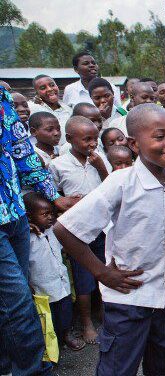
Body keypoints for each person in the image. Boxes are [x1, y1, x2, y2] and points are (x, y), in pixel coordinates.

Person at [53, 103, 165, 376]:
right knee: (118, 368)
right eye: (159, 136)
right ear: (134, 144)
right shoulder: (121, 182)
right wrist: (102, 273)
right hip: (130, 298)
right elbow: (65, 229)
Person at [0, 85, 77, 375]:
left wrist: (52, 196)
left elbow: (20, 150)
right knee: (17, 302)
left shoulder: (1, 96)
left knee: (11, 302)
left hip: (14, 212)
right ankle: (30, 369)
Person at [49, 116, 108, 344]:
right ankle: (86, 322)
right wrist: (63, 201)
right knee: (84, 278)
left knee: (104, 270)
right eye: (86, 139)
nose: (92, 144)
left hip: (101, 227)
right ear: (70, 139)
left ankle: (105, 313)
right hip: (76, 231)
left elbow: (111, 184)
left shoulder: (98, 160)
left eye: (94, 138)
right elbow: (51, 196)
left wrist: (101, 166)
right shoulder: (58, 164)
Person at [25, 192, 86, 353]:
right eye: (45, 214)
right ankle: (50, 346)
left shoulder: (54, 230)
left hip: (61, 283)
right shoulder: (26, 239)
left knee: (65, 313)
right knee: (47, 319)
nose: (50, 217)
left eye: (52, 212)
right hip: (42, 288)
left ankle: (66, 335)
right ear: (29, 217)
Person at [29, 75, 73, 145]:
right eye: (43, 88)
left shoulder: (68, 110)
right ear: (37, 93)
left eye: (52, 85)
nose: (49, 89)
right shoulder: (34, 109)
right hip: (45, 153)